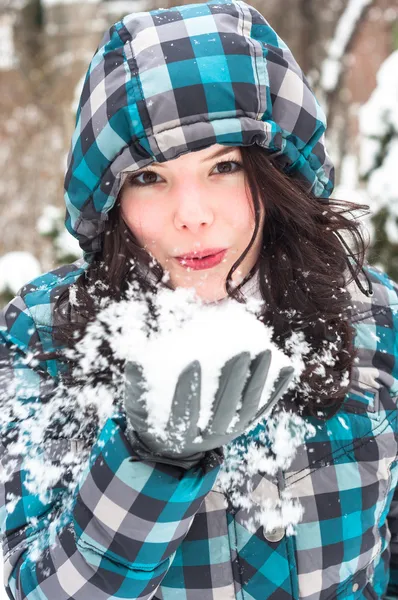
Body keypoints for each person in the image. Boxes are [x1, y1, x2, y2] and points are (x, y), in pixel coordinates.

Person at [1, 0, 398, 598]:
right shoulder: (46, 335)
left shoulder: (375, 317)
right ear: (108, 199)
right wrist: (148, 464)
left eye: (226, 167)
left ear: (278, 173)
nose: (193, 217)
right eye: (148, 177)